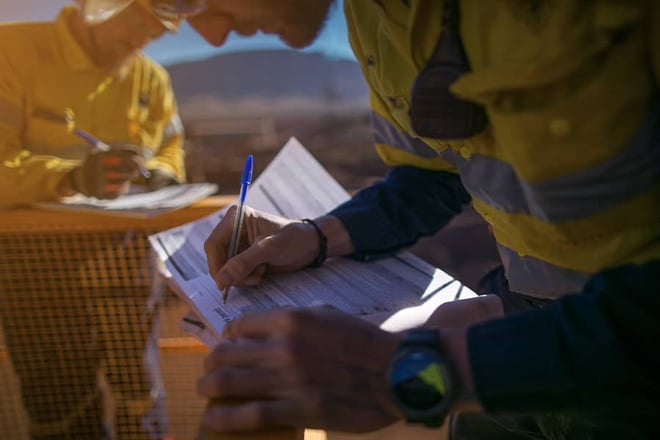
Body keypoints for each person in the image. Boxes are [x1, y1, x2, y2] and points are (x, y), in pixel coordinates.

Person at [187, 0, 660, 438]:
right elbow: (433, 174)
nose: (209, 33)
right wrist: (315, 236)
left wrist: (418, 371)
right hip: (515, 322)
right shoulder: (371, 19)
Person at [0, 1, 192, 438]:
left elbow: (171, 146)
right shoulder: (11, 51)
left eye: (162, 26)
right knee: (58, 395)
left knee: (138, 383)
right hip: (33, 257)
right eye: (140, 17)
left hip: (123, 252)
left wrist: (164, 172)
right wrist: (69, 177)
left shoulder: (150, 79)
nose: (149, 33)